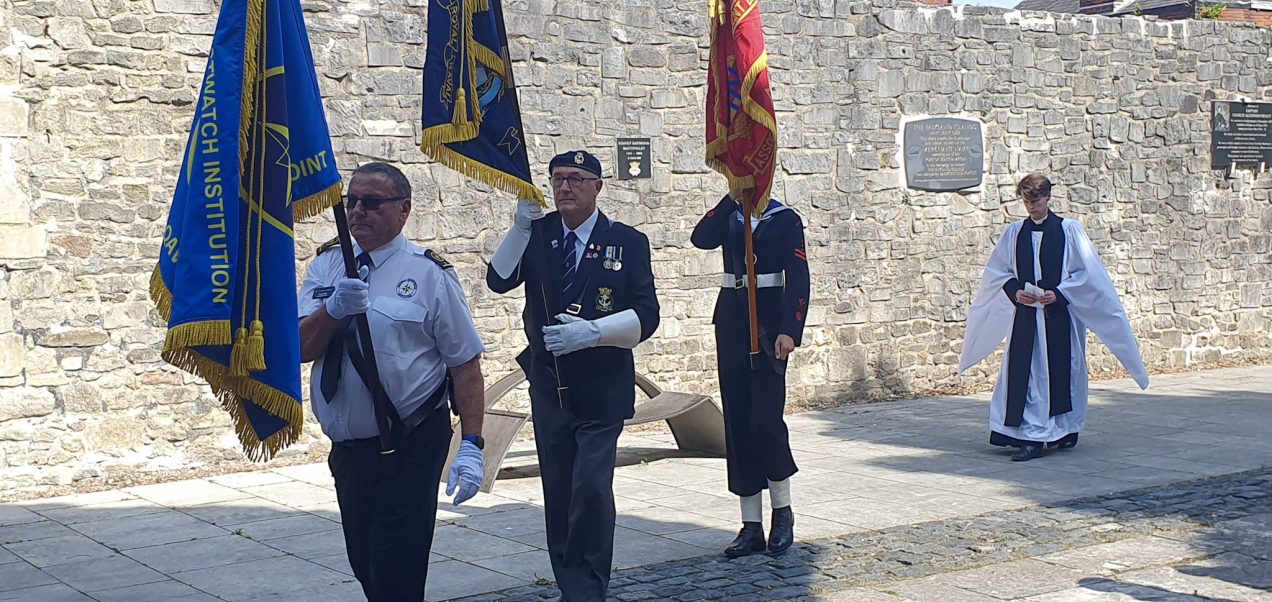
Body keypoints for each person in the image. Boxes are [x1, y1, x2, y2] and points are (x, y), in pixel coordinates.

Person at [298, 162, 487, 601]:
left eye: (372, 203)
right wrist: (333, 311)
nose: (358, 211)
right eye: (352, 202)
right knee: (364, 560)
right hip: (350, 449)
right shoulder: (328, 264)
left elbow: (465, 364)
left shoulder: (428, 274)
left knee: (395, 569)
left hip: (411, 442)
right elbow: (302, 347)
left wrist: (472, 446)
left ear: (403, 210)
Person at [486, 150, 659, 601]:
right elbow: (499, 280)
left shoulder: (626, 241)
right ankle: (571, 584)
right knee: (559, 489)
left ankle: (589, 586)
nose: (565, 187)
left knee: (591, 488)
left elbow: (647, 315)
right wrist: (519, 228)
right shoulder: (540, 235)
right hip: (550, 388)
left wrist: (594, 333)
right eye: (558, 178)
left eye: (577, 179)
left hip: (602, 389)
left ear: (597, 187)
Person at [960, 173, 1149, 462]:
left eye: (1035, 200)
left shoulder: (1069, 231)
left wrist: (1059, 293)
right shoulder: (1014, 234)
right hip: (1026, 318)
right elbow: (998, 272)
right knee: (1030, 375)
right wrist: (1016, 291)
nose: (1031, 207)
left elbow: (1088, 274)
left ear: (1048, 197)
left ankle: (1059, 431)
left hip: (1057, 318)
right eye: (1025, 201)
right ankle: (1032, 435)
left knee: (1059, 372)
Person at [690, 192, 811, 558]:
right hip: (732, 321)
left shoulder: (784, 218)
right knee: (739, 421)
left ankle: (782, 511)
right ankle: (750, 525)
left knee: (766, 420)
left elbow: (800, 277)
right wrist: (730, 200)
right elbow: (701, 238)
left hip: (771, 323)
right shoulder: (730, 215)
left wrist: (791, 329)